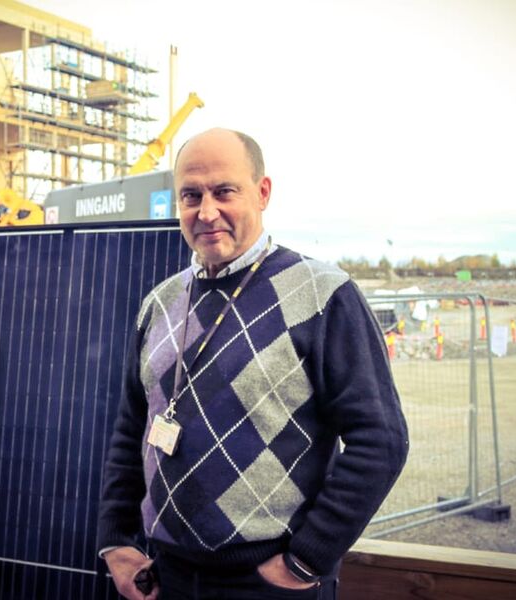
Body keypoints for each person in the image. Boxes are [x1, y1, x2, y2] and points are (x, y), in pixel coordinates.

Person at [98, 128, 408, 599]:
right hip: (167, 578)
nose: (206, 212)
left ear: (262, 193)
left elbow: (381, 440)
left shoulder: (323, 296)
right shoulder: (159, 303)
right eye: (191, 195)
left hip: (268, 582)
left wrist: (306, 560)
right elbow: (131, 430)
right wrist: (117, 541)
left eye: (224, 191)